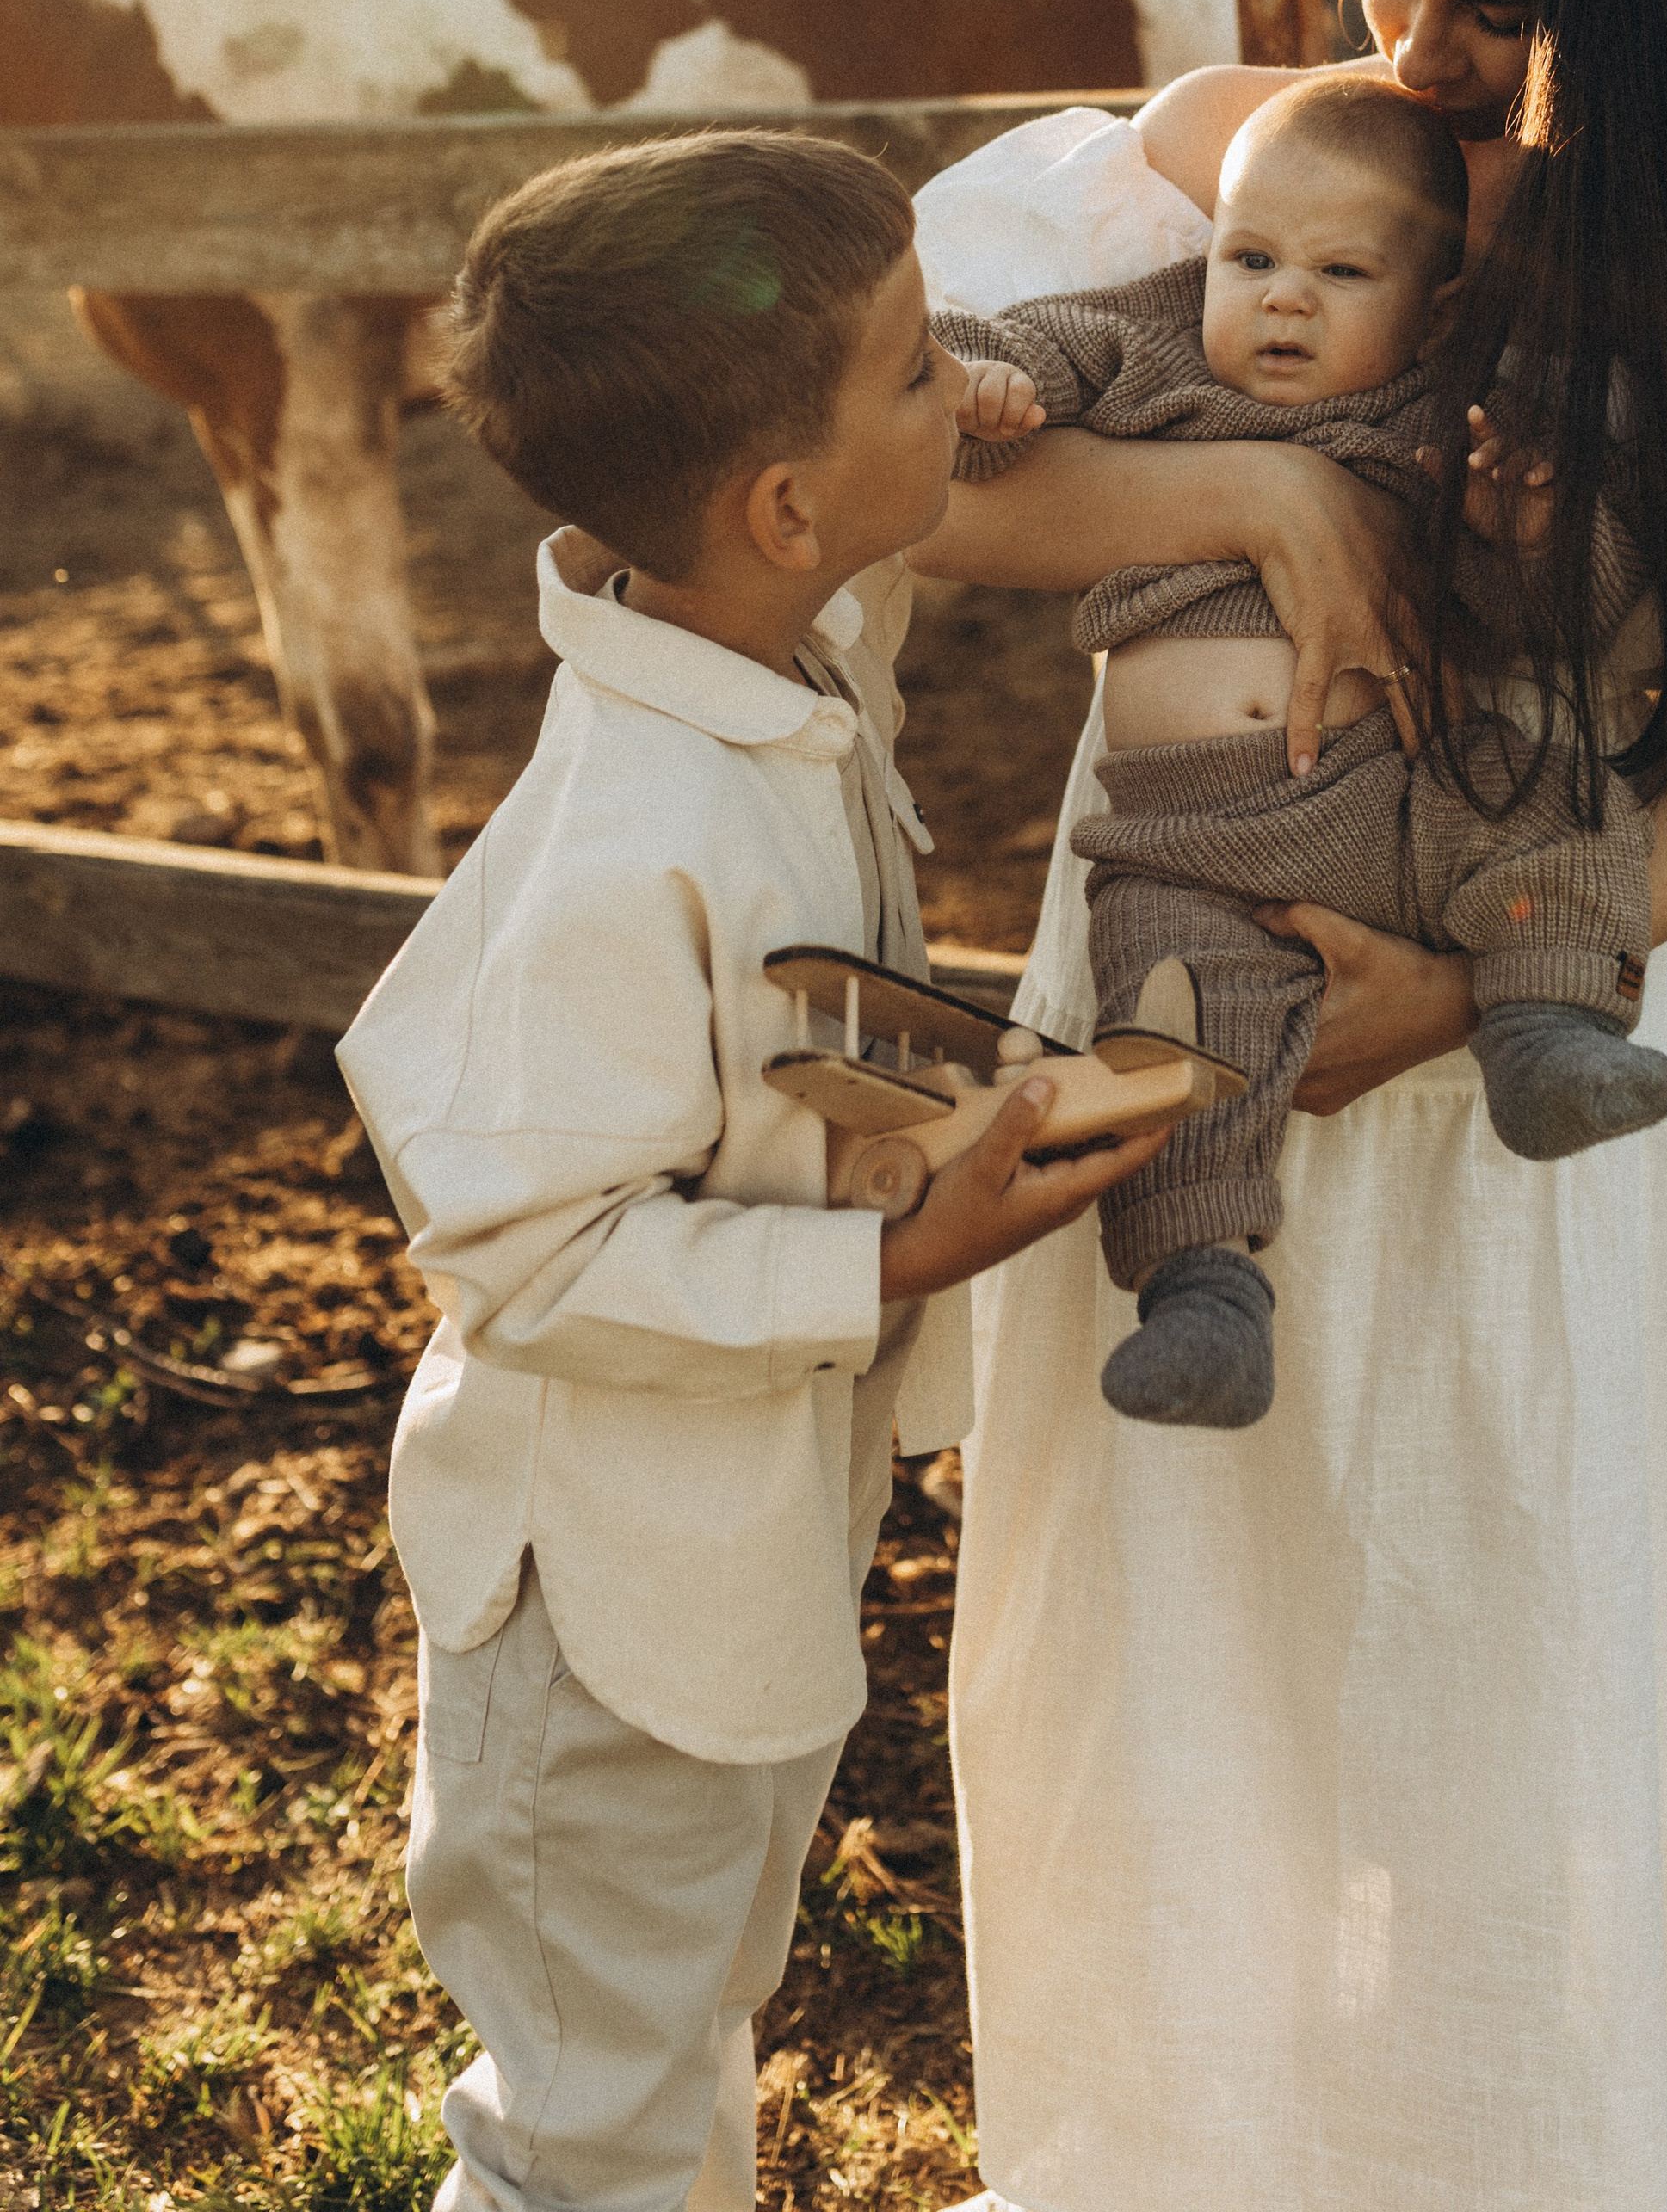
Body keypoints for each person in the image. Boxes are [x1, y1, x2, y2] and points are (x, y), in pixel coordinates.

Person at [910, 0, 1667, 2211]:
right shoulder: (1233, 168)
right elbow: (949, 488)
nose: (1410, 47)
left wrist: (1485, 989)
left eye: (1487, 8)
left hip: (1519, 1039)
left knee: (1511, 1637)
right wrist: (1271, 497)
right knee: (1183, 1648)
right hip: (1189, 993)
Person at [336, 131, 1157, 2212]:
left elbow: (849, 585)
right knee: (584, 2129)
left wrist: (934, 387)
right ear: (785, 506)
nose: (959, 383)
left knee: (689, 2023)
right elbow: (527, 1258)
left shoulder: (759, 651)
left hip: (727, 1583)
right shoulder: (630, 838)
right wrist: (891, 1262)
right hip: (598, 1635)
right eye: (913, 369)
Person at [935, 68, 1667, 1432]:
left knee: (1552, 803)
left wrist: (1530, 532)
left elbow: (1571, 629)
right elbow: (1030, 358)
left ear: (1435, 308)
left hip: (1397, 796)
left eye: (1340, 272)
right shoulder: (1156, 344)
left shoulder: (1455, 418)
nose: (1282, 297)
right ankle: (1203, 1296)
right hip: (1186, 842)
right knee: (1171, 1033)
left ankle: (1547, 1027)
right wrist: (983, 382)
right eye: (1251, 256)